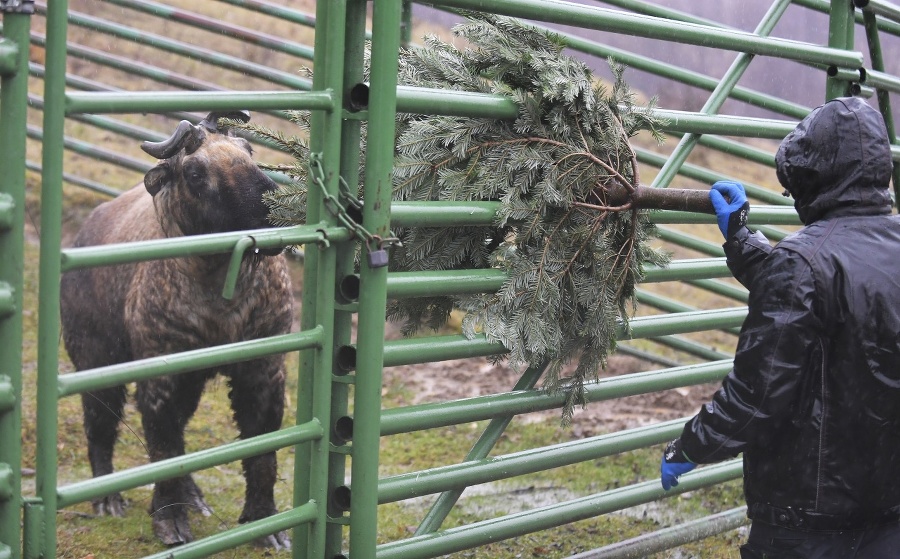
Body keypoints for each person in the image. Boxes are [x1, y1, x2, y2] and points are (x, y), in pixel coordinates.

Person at [659, 96, 900, 558]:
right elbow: (834, 302)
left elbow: (757, 394)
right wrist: (743, 241)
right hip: (886, 515)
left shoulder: (802, 265)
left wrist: (690, 447)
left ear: (816, 174)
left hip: (806, 523)